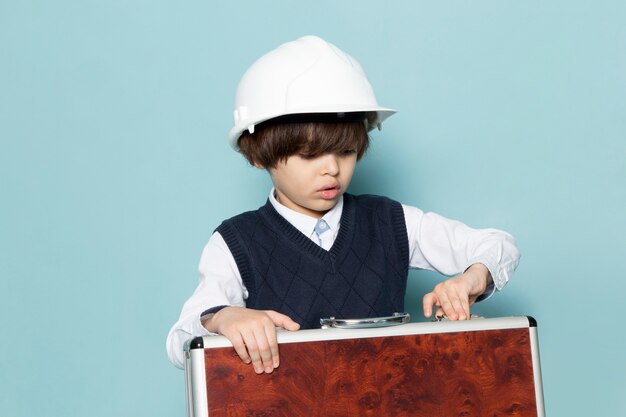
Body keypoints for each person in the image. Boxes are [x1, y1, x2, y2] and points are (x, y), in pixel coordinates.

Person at [166, 35, 520, 373]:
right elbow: (181, 341)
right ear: (258, 155)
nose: (332, 169)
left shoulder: (391, 221)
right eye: (310, 155)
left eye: (347, 151)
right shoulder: (235, 241)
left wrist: (471, 279)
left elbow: (497, 246)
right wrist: (223, 317)